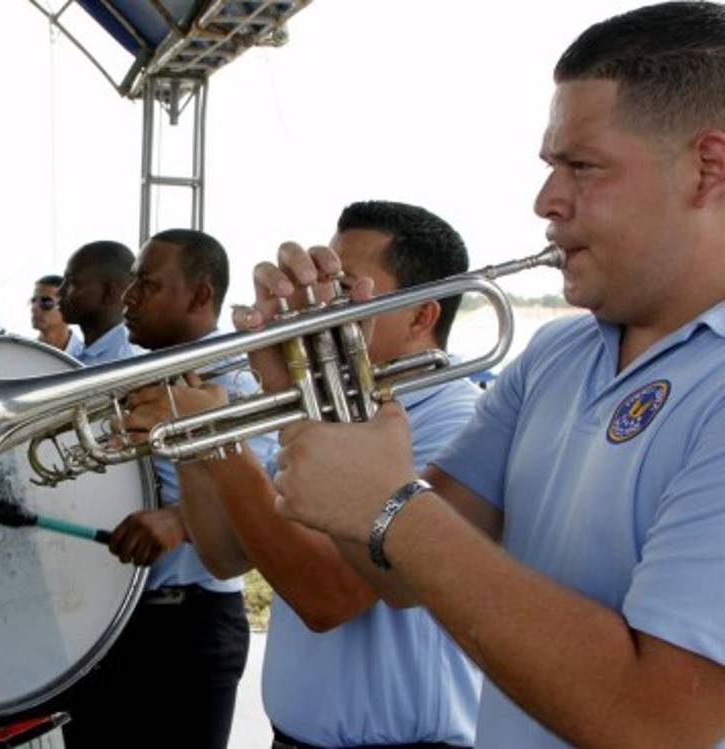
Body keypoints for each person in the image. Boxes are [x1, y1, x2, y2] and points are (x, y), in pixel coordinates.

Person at [258, 4, 725, 746]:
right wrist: (313, 380)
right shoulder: (554, 355)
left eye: (582, 166)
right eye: (550, 167)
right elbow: (399, 574)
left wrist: (391, 509)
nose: (547, 201)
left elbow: (661, 721)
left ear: (708, 168)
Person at [125, 202, 483, 748]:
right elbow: (226, 553)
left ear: (421, 316)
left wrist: (220, 444)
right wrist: (197, 441)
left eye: (343, 289)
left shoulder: (454, 418)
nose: (317, 305)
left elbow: (329, 596)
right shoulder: (328, 405)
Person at [61, 229, 274, 749]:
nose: (129, 298)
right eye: (132, 283)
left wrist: (179, 521)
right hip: (111, 621)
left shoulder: (238, 380)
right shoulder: (129, 369)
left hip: (187, 623)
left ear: (200, 297)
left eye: (148, 285)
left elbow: (265, 491)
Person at [57, 240, 137, 363]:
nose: (60, 292)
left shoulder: (122, 363)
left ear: (108, 292)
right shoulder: (85, 352)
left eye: (72, 282)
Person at [30, 273, 82, 356]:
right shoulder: (22, 355)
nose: (34, 308)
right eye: (33, 301)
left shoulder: (89, 361)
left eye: (46, 302)